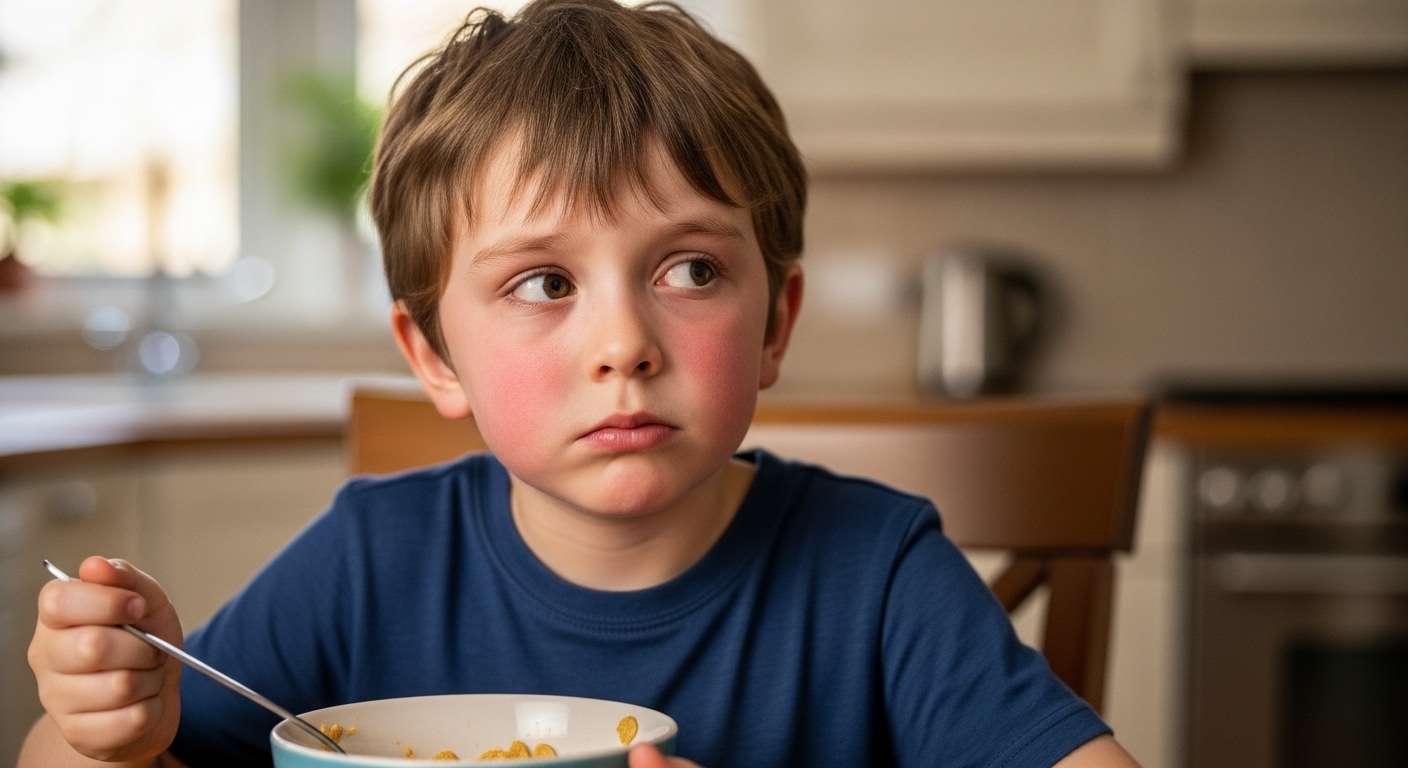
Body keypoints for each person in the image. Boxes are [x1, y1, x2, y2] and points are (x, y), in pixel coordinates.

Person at [22, 1, 1141, 766]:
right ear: (433, 358)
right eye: (545, 282)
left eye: (691, 270)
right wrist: (99, 736)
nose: (624, 342)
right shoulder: (372, 561)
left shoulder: (878, 573)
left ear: (774, 324)